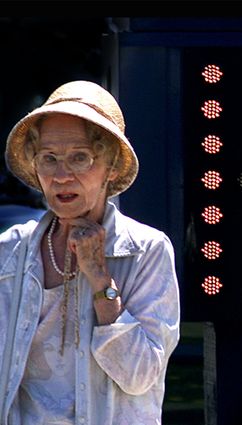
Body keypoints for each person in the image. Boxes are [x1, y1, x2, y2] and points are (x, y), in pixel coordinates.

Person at [0, 80, 181, 424]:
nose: (62, 175)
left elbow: (140, 376)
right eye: (49, 159)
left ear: (111, 167)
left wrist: (100, 278)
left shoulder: (146, 251)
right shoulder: (10, 252)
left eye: (80, 158)